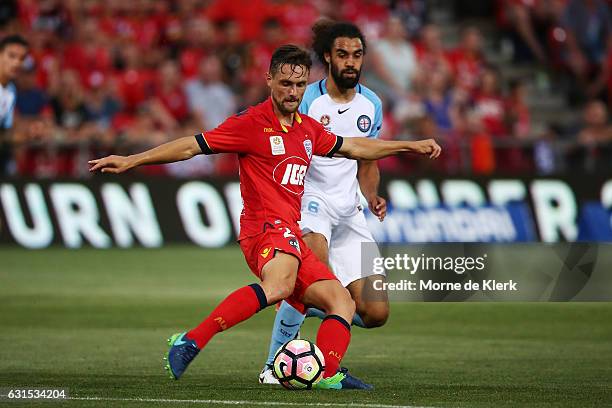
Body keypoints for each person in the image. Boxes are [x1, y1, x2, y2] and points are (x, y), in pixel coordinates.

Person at [89, 44, 440, 390]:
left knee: (342, 301)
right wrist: (132, 160)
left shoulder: (306, 128)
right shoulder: (251, 123)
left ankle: (326, 371)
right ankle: (192, 340)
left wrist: (408, 145)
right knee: (281, 286)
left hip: (289, 232)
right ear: (269, 79)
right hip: (264, 229)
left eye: (300, 85)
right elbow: (191, 146)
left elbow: (356, 146)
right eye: (286, 84)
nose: (293, 92)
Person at [258, 21, 388, 385]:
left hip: (351, 213)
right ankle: (280, 366)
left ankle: (313, 311)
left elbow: (368, 161)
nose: (351, 62)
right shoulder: (308, 99)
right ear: (328, 57)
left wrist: (372, 195)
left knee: (376, 312)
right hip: (311, 204)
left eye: (358, 55)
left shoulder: (372, 103)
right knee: (314, 279)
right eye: (343, 54)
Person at [0, 34, 28, 176]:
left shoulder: (10, 90)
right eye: (11, 56)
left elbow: (4, 134)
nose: (16, 63)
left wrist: (26, 134)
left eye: (22, 58)